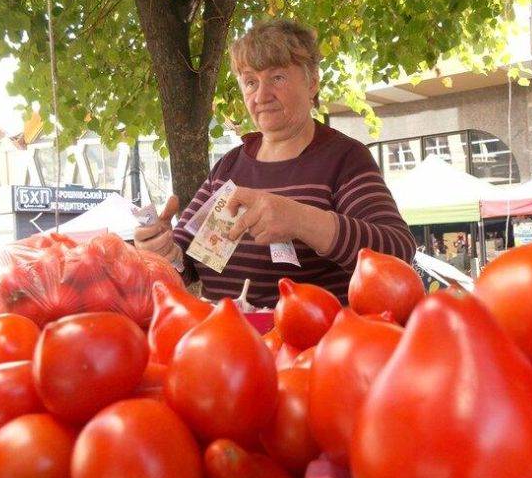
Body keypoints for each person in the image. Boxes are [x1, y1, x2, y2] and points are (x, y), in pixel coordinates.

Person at [134, 19, 417, 307]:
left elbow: (397, 252)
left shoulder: (343, 159)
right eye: (251, 82)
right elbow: (186, 260)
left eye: (277, 78)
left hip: (313, 346)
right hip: (226, 342)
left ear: (312, 83)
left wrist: (301, 220)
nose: (261, 95)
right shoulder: (228, 167)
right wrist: (164, 251)